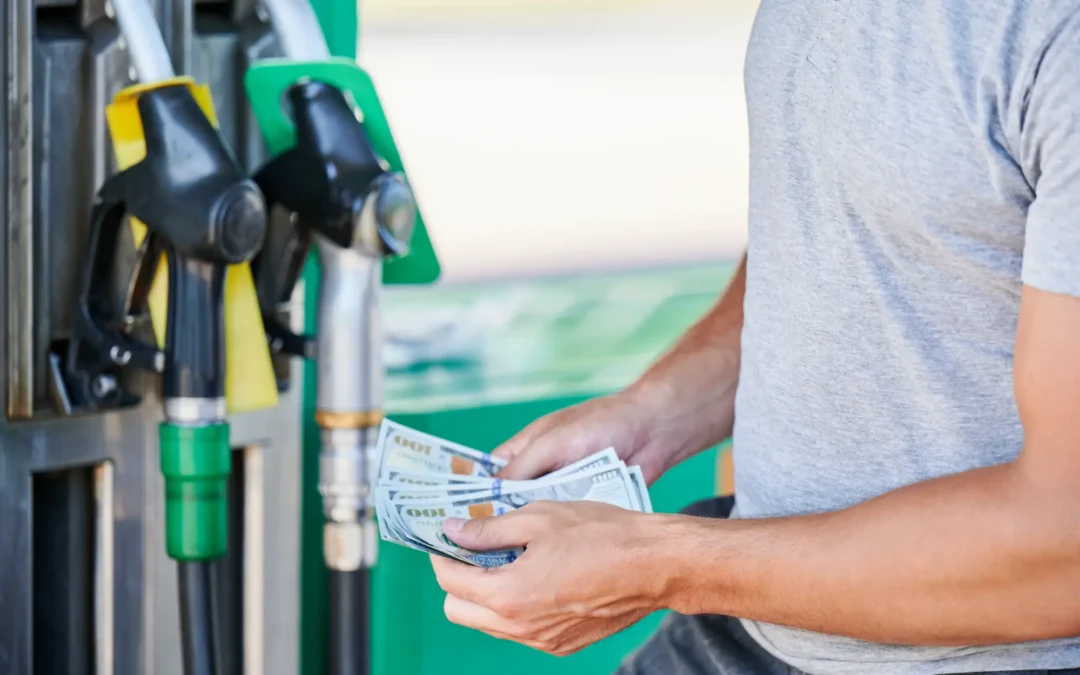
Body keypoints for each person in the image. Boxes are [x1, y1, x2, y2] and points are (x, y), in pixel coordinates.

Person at [427, 1, 1080, 673]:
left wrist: (662, 563)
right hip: (748, 622)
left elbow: (1065, 541)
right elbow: (839, 222)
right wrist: (653, 414)